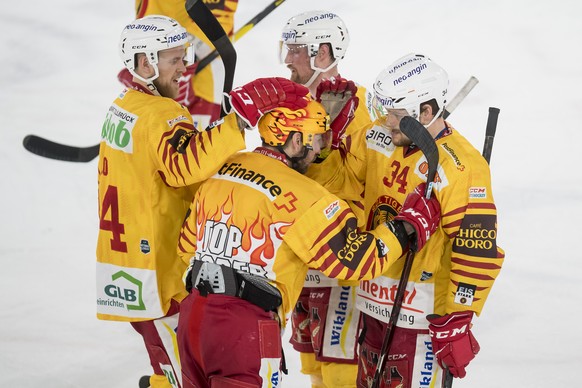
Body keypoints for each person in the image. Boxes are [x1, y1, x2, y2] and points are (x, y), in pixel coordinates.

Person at [96, 15, 309, 388]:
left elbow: (166, 164)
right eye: (174, 59)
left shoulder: (124, 106)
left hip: (128, 267)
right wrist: (237, 122)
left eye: (184, 56)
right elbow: (182, 166)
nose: (184, 68)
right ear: (145, 63)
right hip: (157, 276)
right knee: (189, 379)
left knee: (179, 373)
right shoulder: (161, 114)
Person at [175, 95, 441, 387]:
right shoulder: (305, 194)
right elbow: (357, 260)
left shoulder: (221, 172)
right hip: (243, 329)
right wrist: (407, 226)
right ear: (295, 140)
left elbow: (186, 246)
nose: (320, 149)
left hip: (192, 319)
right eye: (316, 139)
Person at [323, 53, 506, 387]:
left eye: (394, 114)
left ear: (426, 111)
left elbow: (477, 251)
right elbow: (340, 182)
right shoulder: (378, 136)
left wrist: (458, 316)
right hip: (370, 303)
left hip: (420, 319)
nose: (385, 121)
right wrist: (323, 147)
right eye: (383, 112)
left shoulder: (462, 168)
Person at [279, 10, 373, 387]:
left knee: (340, 369)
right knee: (314, 365)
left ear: (323, 54)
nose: (287, 58)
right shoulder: (295, 101)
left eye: (296, 49)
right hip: (303, 250)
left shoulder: (358, 110)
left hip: (339, 256)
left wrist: (325, 150)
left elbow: (357, 190)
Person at [118, 0, 239, 129]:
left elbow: (218, 14)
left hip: (202, 84)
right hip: (158, 72)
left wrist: (181, 63)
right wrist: (143, 65)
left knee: (200, 145)